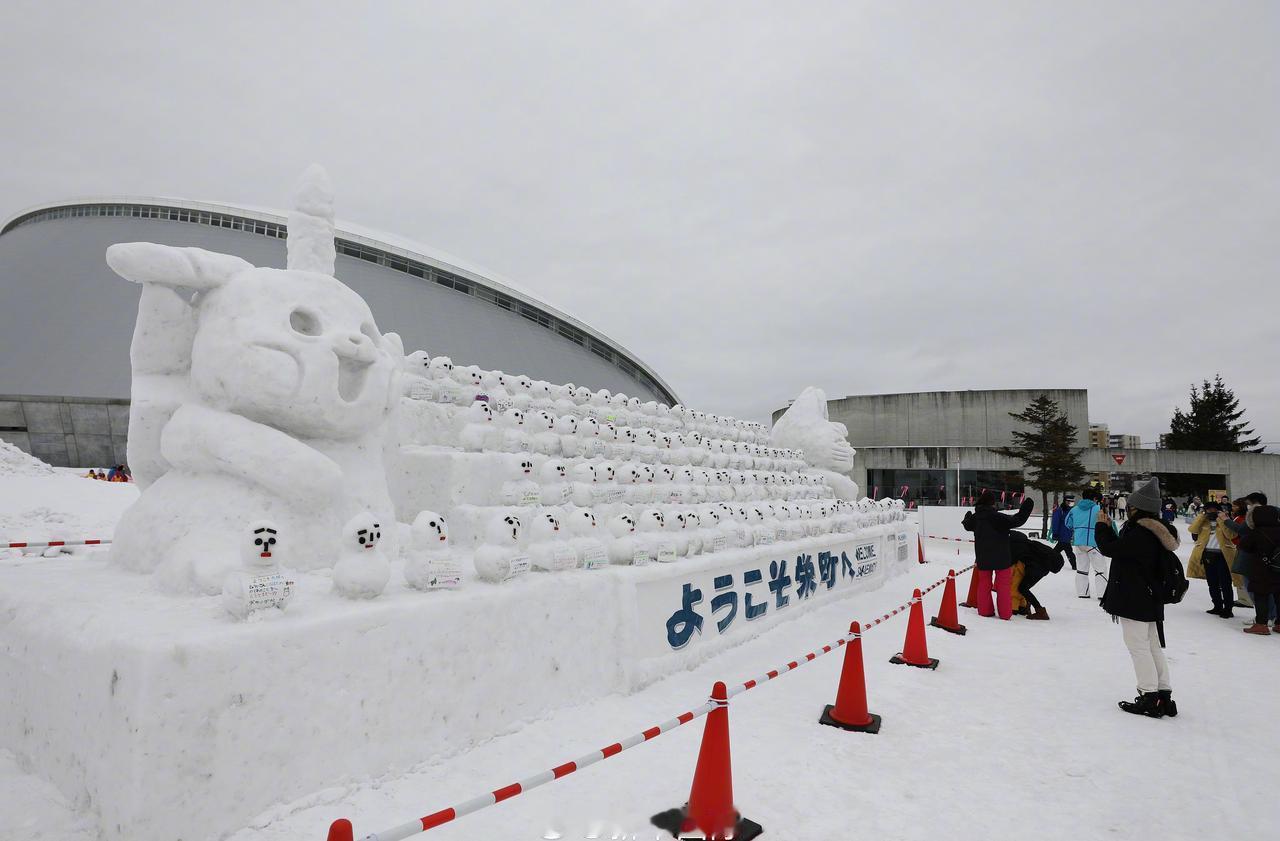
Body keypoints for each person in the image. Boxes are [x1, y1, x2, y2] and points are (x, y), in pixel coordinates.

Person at [1095, 477, 1180, 718]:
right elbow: (1124, 549)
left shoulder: (1142, 532)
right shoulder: (1155, 530)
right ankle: (1163, 694)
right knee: (1152, 645)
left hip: (1135, 596)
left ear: (1138, 508)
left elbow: (1112, 550)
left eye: (1132, 506)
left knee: (1138, 647)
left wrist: (1102, 528)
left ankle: (1149, 696)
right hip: (1149, 595)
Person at [962, 491, 1035, 620]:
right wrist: (1026, 507)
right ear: (992, 503)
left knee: (984, 584)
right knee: (1003, 586)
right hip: (1002, 557)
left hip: (982, 557)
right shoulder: (997, 517)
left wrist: (967, 516)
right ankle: (1005, 614)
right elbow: (1017, 520)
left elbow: (967, 525)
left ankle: (985, 611)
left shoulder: (976, 518)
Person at [1187, 500, 1239, 618]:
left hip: (1223, 556)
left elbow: (1232, 535)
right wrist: (1201, 516)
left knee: (1225, 583)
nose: (1211, 512)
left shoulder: (1225, 520)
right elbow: (1193, 530)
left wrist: (1222, 519)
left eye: (1214, 510)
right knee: (1212, 583)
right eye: (1208, 509)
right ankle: (1217, 606)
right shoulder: (1203, 521)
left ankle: (1228, 608)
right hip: (1207, 555)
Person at [1238, 505, 1280, 634]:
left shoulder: (1256, 532)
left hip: (1262, 569)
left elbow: (1244, 546)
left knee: (1261, 596)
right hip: (1278, 569)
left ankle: (1261, 625)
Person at [1066, 488, 1113, 598]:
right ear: (1094, 498)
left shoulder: (1074, 509)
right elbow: (1109, 523)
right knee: (1100, 569)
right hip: (1094, 542)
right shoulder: (1099, 509)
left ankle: (1083, 592)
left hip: (1079, 542)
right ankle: (1102, 594)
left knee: (1081, 569)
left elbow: (1067, 523)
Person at [1009, 530, 1064, 619]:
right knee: (1023, 587)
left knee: (1022, 588)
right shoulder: (1026, 543)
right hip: (1041, 567)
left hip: (1037, 568)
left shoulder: (1015, 546)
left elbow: (1011, 561)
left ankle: (1040, 611)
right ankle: (1026, 606)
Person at [1050, 495, 1077, 571]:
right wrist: (1055, 533)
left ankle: (1049, 560)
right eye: (1069, 501)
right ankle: (1074, 566)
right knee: (1068, 551)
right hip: (1062, 534)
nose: (1071, 503)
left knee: (1058, 551)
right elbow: (1055, 522)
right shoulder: (1060, 510)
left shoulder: (1072, 510)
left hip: (1068, 534)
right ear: (1065, 501)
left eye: (1072, 502)